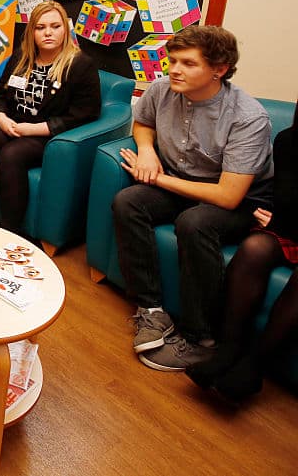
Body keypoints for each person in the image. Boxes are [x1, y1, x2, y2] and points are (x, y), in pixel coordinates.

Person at [114, 25, 273, 372]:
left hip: (239, 199)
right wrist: (145, 150)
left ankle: (201, 339)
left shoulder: (248, 117)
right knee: (128, 201)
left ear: (218, 69)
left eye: (188, 63)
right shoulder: (161, 89)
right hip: (182, 181)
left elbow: (228, 196)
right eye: (172, 60)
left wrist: (160, 179)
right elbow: (143, 122)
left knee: (195, 222)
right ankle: (152, 311)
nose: (173, 69)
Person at [0, 1, 100, 236]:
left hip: (45, 134)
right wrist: (0, 117)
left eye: (55, 26)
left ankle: (11, 233)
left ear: (65, 30)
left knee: (12, 154)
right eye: (40, 27)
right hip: (12, 122)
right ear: (32, 32)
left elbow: (85, 113)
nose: (48, 32)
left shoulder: (80, 66)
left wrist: (34, 129)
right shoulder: (21, 57)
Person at [187, 101, 298, 401]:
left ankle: (254, 366)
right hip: (293, 228)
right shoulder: (289, 141)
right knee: (254, 248)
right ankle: (228, 350)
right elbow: (286, 202)